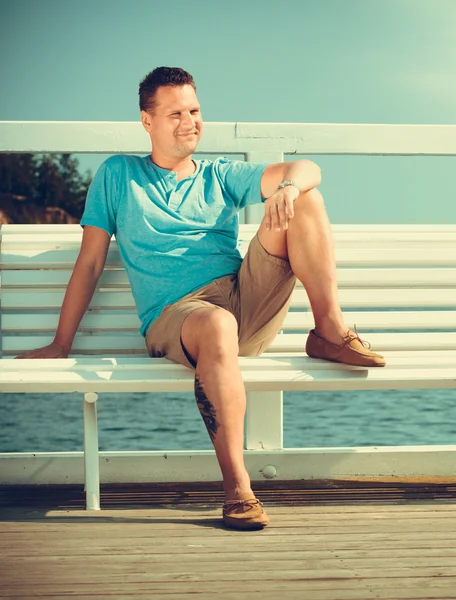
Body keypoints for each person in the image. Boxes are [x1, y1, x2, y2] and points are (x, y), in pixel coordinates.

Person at [16, 66, 385, 530]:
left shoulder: (219, 174)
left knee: (305, 196)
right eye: (175, 113)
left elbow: (308, 169)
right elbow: (90, 263)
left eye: (195, 110)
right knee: (216, 324)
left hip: (241, 301)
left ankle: (329, 331)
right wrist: (60, 343)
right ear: (147, 121)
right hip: (180, 316)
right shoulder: (118, 175)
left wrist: (289, 186)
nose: (190, 121)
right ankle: (237, 489)